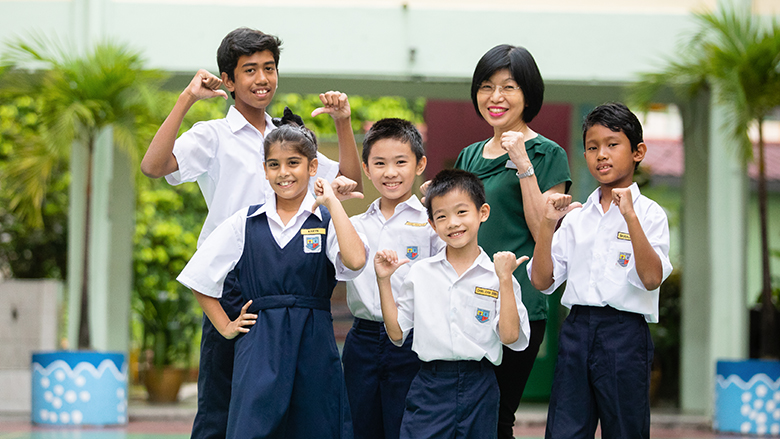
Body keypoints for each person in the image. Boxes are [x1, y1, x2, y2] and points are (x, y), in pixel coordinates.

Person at [139, 28, 363, 439]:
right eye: (249, 70)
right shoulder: (213, 136)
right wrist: (187, 98)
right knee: (222, 408)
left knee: (290, 409)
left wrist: (344, 123)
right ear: (228, 80)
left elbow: (349, 181)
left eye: (269, 68)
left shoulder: (288, 139)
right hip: (233, 283)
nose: (262, 79)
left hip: (289, 277)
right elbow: (154, 166)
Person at [177, 122, 368, 439]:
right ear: (264, 170)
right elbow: (200, 277)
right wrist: (225, 325)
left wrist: (333, 201)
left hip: (314, 342)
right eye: (274, 164)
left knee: (317, 427)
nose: (284, 173)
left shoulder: (325, 221)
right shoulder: (245, 221)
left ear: (313, 167)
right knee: (253, 427)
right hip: (259, 344)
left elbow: (356, 259)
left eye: (293, 163)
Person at [528, 102, 673, 439]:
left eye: (612, 144)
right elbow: (541, 280)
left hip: (625, 335)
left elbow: (651, 279)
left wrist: (630, 217)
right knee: (564, 430)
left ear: (638, 152)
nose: (601, 155)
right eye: (592, 147)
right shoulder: (577, 217)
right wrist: (548, 225)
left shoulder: (651, 215)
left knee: (625, 430)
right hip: (577, 330)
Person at [453, 44, 572, 438]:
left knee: (498, 414)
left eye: (509, 86)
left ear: (528, 93)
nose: (496, 97)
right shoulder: (469, 155)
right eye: (486, 87)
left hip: (518, 300)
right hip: (469, 300)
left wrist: (523, 164)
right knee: (467, 412)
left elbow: (545, 231)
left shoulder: (546, 154)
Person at [376, 169, 531, 439]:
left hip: (479, 384)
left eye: (461, 212)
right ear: (433, 225)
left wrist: (505, 279)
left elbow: (509, 336)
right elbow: (397, 333)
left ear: (482, 212)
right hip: (430, 384)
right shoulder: (420, 273)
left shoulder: (498, 274)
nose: (453, 223)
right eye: (442, 217)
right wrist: (383, 281)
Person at [343, 118, 444, 439]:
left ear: (420, 165)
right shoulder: (356, 224)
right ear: (366, 168)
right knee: (360, 426)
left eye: (401, 162)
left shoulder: (432, 222)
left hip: (414, 340)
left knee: (408, 427)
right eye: (380, 163)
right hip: (363, 339)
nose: (390, 172)